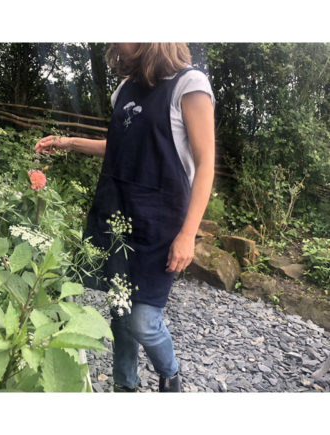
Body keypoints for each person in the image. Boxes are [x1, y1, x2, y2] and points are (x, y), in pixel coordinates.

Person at [35, 43, 215, 392]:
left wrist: (188, 233)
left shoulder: (188, 85)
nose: (116, 41)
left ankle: (171, 375)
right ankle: (125, 387)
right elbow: (119, 145)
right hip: (117, 213)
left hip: (161, 224)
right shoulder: (125, 88)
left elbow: (206, 162)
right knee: (119, 312)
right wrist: (68, 142)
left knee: (142, 320)